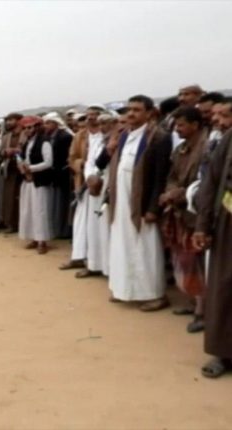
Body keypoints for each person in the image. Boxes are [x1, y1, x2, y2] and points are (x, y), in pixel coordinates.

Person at [107, 95, 172, 311]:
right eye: (129, 110)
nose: (131, 114)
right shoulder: (124, 135)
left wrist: (153, 207)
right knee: (122, 244)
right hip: (121, 201)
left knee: (146, 248)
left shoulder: (159, 137)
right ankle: (123, 289)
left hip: (142, 203)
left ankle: (154, 294)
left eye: (136, 110)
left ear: (149, 113)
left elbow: (160, 176)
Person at [158, 107, 207, 333]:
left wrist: (182, 193)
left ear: (195, 125)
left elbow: (205, 182)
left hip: (197, 214)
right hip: (178, 211)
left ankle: (202, 311)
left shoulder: (208, 147)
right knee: (185, 261)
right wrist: (171, 192)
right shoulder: (180, 149)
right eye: (176, 125)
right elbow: (172, 177)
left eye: (181, 125)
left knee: (199, 263)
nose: (177, 129)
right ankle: (193, 302)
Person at [193, 128, 232, 378]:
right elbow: (212, 182)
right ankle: (223, 351)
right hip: (228, 222)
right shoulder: (229, 138)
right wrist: (202, 225)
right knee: (225, 287)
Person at [62, 105, 105, 270]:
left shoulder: (107, 135)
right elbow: (72, 158)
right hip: (82, 184)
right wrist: (80, 164)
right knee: (81, 222)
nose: (91, 118)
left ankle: (95, 262)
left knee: (96, 224)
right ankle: (78, 257)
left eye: (95, 115)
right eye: (89, 115)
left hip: (100, 186)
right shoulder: (80, 135)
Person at [77, 113, 117, 278]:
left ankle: (109, 268)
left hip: (108, 186)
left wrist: (97, 178)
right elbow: (90, 163)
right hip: (93, 187)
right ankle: (94, 264)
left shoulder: (115, 141)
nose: (103, 126)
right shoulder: (98, 141)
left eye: (106, 123)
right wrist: (89, 179)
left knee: (106, 228)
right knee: (94, 228)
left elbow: (103, 164)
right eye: (100, 123)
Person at [18, 116, 54, 253]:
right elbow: (23, 158)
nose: (27, 130)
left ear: (37, 127)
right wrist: (22, 167)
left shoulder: (44, 142)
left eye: (30, 127)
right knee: (29, 210)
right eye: (25, 128)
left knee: (40, 211)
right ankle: (34, 238)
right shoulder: (27, 143)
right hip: (28, 181)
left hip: (40, 181)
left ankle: (42, 241)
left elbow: (48, 162)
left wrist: (31, 168)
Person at [42, 113, 74, 239]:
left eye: (48, 123)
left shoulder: (65, 137)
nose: (46, 126)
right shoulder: (49, 137)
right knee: (55, 203)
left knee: (62, 203)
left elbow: (64, 158)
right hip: (53, 175)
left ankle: (63, 231)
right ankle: (56, 229)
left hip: (62, 175)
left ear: (55, 123)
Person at [0, 113, 24, 233]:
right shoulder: (6, 136)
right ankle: (11, 224)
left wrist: (15, 151)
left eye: (11, 120)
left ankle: (22, 224)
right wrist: (5, 152)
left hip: (24, 171)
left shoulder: (25, 134)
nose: (8, 122)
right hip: (10, 170)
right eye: (7, 120)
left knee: (22, 198)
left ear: (19, 121)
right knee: (9, 198)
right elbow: (1, 152)